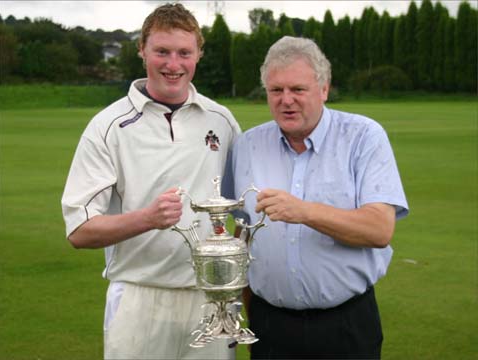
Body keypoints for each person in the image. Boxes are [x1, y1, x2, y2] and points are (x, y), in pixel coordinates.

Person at [61, 4, 240, 359]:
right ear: (142, 50)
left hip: (211, 296)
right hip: (139, 296)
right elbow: (79, 231)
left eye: (184, 53)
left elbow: (247, 207)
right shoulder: (107, 126)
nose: (173, 65)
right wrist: (147, 218)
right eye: (162, 51)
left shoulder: (222, 120)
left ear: (198, 55)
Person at [224, 36, 409, 359]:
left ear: (323, 89)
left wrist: (305, 211)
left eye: (298, 89)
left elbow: (379, 230)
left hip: (345, 325)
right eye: (276, 90)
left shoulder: (364, 137)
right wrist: (241, 306)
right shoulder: (247, 146)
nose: (286, 100)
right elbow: (244, 235)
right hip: (270, 326)